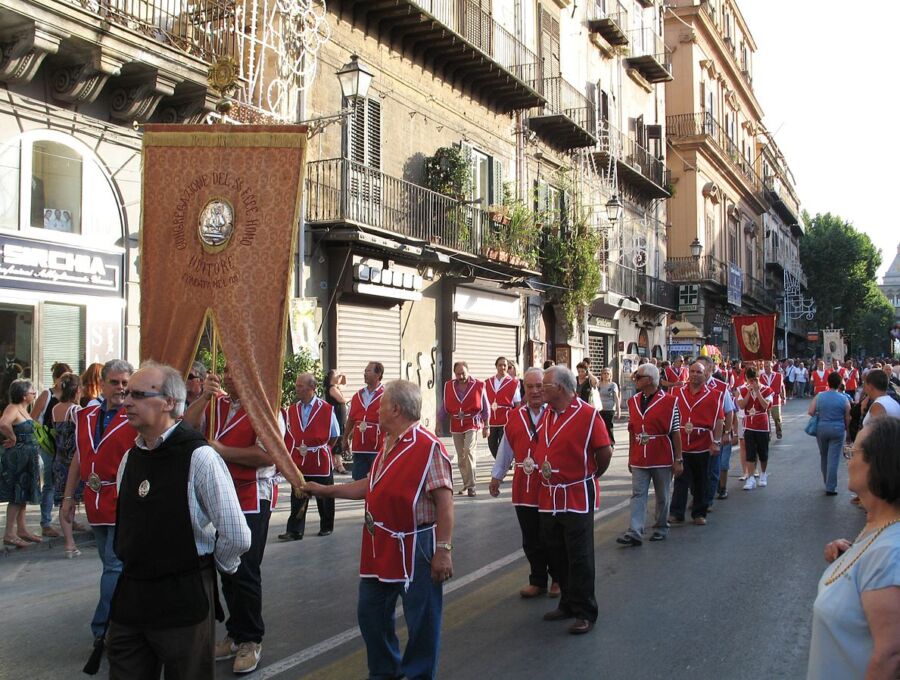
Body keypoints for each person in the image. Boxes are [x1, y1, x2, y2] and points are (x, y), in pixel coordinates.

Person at [105, 362, 251, 680]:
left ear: (170, 403)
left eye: (139, 395)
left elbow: (237, 534)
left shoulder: (200, 457)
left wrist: (214, 568)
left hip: (183, 600)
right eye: (126, 393)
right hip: (132, 599)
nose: (126, 400)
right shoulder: (131, 458)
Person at [302, 380, 454, 680]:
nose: (376, 410)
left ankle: (417, 675)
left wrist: (444, 550)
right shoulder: (386, 443)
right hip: (378, 545)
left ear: (395, 409)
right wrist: (325, 489)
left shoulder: (428, 446)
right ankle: (386, 672)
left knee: (422, 622)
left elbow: (445, 504)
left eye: (381, 405)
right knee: (371, 615)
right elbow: (370, 486)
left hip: (416, 547)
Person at [183, 365, 279, 674]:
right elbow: (188, 427)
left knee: (245, 568)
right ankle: (236, 634)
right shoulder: (218, 403)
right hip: (219, 496)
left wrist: (222, 451)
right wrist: (203, 397)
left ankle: (251, 639)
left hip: (252, 497)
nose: (226, 378)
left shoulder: (266, 407)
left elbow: (268, 455)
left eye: (234, 372)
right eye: (224, 372)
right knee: (225, 567)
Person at [807, 417, 900, 680]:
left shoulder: (891, 553)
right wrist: (850, 559)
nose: (848, 458)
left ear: (879, 462)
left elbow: (890, 656)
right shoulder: (876, 530)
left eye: (854, 450)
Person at [61, 359, 136, 658]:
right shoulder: (86, 414)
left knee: (115, 566)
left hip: (124, 501)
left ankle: (103, 628)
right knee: (111, 567)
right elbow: (79, 458)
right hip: (94, 501)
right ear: (102, 384)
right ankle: (123, 623)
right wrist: (68, 498)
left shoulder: (136, 414)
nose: (120, 388)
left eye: (125, 383)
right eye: (115, 382)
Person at [535, 366, 613, 634]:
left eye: (545, 385)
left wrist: (588, 476)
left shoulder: (588, 415)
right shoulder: (547, 414)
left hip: (577, 494)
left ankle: (585, 611)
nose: (539, 390)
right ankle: (567, 602)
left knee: (579, 556)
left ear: (560, 388)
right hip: (550, 496)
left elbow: (604, 452)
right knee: (556, 553)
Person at [489, 368, 558, 597]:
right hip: (524, 485)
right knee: (530, 537)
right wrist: (496, 476)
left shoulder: (557, 413)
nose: (536, 391)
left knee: (552, 535)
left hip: (550, 485)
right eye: (530, 387)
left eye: (540, 386)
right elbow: (505, 448)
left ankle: (558, 578)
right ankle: (538, 580)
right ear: (524, 389)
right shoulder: (515, 416)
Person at [617, 364, 682, 546]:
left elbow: (675, 432)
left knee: (662, 495)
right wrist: (630, 456)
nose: (635, 379)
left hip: (661, 455)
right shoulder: (633, 401)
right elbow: (631, 431)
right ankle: (635, 530)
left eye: (639, 376)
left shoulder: (670, 402)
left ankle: (661, 526)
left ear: (650, 379)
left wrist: (678, 459)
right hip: (639, 455)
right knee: (638, 494)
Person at [279, 373, 340, 540]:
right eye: (297, 385)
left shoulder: (327, 409)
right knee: (298, 494)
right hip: (300, 459)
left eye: (300, 386)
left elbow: (334, 435)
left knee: (325, 495)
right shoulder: (293, 409)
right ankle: (295, 530)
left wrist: (323, 448)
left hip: (319, 459)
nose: (297, 388)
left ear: (312, 388)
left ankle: (326, 526)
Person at [669, 361, 724, 525]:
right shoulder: (676, 392)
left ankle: (699, 513)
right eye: (692, 371)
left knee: (701, 480)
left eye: (698, 372)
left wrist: (716, 442)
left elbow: (719, 420)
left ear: (705, 374)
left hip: (702, 444)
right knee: (680, 479)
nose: (694, 375)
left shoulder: (714, 394)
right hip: (682, 443)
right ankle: (676, 512)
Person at [31, 361, 73, 538]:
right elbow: (32, 418)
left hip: (65, 445)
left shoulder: (70, 396)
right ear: (55, 379)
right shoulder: (47, 395)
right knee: (49, 483)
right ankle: (46, 522)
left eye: (68, 378)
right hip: (48, 445)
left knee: (69, 484)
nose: (65, 382)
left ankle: (70, 519)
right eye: (63, 378)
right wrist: (40, 438)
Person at [1, 379, 42, 548]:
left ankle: (22, 529)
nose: (34, 394)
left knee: (23, 494)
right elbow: (3, 423)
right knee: (16, 494)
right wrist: (12, 437)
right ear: (24, 395)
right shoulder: (13, 408)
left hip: (27, 456)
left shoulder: (24, 409)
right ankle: (9, 533)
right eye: (33, 392)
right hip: (18, 456)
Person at [442, 361, 488, 497]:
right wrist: (439, 423)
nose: (460, 376)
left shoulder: (479, 385)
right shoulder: (449, 386)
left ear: (468, 371)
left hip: (472, 423)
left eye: (463, 373)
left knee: (468, 450)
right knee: (460, 457)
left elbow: (486, 407)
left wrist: (487, 426)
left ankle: (472, 486)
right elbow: (444, 407)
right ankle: (466, 483)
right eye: (458, 374)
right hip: (456, 424)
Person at [50, 373, 84, 556]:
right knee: (71, 499)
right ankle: (71, 544)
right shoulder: (77, 410)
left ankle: (68, 542)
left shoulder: (55, 409)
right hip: (73, 461)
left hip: (59, 460)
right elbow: (81, 437)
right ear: (77, 390)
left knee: (64, 500)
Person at [809, 371, 851, 496]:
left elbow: (811, 411)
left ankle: (826, 481)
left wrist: (820, 414)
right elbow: (847, 417)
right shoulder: (844, 398)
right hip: (838, 429)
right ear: (839, 384)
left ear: (828, 382)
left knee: (824, 456)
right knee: (833, 458)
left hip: (822, 428)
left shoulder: (820, 396)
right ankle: (830, 487)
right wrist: (848, 433)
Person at [344, 362, 385, 480]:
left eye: (368, 371)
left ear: (378, 374)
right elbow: (351, 419)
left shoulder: (386, 394)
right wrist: (345, 438)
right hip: (359, 446)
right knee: (358, 479)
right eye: (365, 371)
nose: (365, 373)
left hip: (377, 446)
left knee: (376, 480)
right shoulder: (357, 395)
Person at [736, 367, 774, 490]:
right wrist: (748, 391)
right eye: (750, 380)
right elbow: (741, 405)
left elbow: (765, 406)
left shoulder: (767, 390)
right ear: (747, 379)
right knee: (750, 452)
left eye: (755, 379)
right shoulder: (741, 390)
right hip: (749, 425)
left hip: (762, 425)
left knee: (763, 452)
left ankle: (763, 474)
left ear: (758, 378)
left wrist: (757, 392)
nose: (753, 382)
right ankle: (751, 478)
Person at [485, 356, 521, 459]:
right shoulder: (488, 382)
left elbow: (517, 403)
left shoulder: (513, 383)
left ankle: (502, 464)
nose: (502, 367)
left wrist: (516, 419)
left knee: (503, 444)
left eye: (505, 365)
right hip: (491, 418)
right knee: (492, 445)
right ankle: (502, 462)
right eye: (500, 365)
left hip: (506, 418)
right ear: (496, 366)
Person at [323, 369, 349, 474]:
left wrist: (343, 376)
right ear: (331, 378)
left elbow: (344, 384)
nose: (339, 377)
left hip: (340, 415)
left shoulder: (336, 387)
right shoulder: (332, 389)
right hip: (336, 416)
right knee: (339, 437)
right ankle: (339, 465)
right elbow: (341, 400)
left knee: (340, 436)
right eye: (336, 375)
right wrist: (348, 399)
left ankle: (337, 463)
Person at [759, 360, 785, 439]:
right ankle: (768, 433)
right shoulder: (761, 376)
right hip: (765, 399)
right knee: (766, 417)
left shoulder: (778, 375)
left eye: (767, 366)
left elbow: (782, 387)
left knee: (777, 416)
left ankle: (778, 430)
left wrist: (783, 397)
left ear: (771, 366)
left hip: (776, 398)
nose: (766, 368)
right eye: (765, 367)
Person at [596, 368, 620, 446]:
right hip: (600, 409)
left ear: (610, 376)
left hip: (610, 409)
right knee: (601, 427)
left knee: (609, 426)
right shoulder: (598, 384)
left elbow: (616, 397)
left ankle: (611, 443)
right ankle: (602, 443)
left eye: (608, 374)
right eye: (604, 373)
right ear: (602, 375)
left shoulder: (613, 385)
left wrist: (618, 410)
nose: (606, 375)